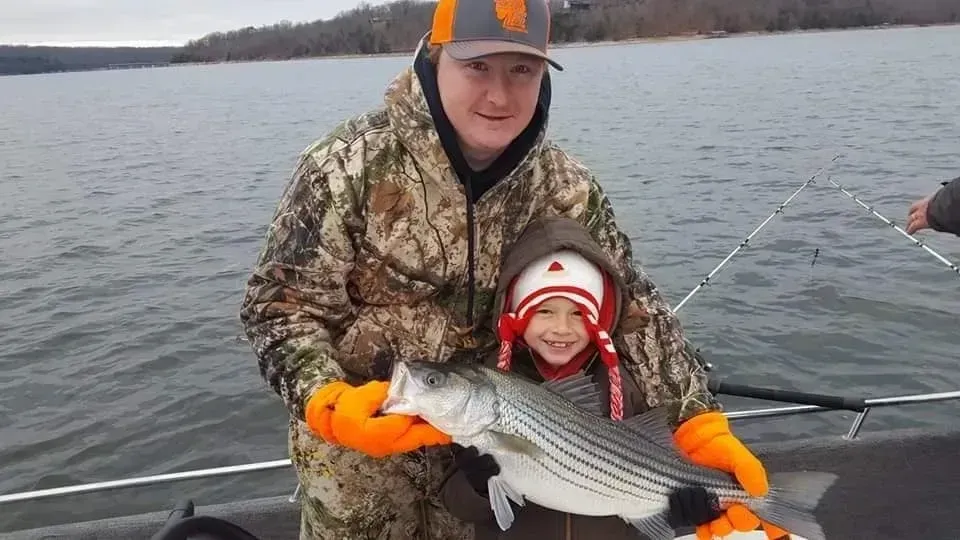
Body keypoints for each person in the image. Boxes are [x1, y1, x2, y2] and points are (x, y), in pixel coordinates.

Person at [238, 0, 775, 538]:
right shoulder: (344, 169)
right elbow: (277, 308)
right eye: (477, 67)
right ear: (434, 57)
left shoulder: (567, 188)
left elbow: (636, 312)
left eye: (522, 69)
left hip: (495, 470)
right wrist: (325, 398)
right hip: (356, 474)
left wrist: (695, 419)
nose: (499, 95)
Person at [435, 215, 788, 540]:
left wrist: (685, 509)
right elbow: (456, 502)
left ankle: (773, 501)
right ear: (516, 316)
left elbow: (655, 460)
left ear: (600, 321)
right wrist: (477, 487)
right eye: (544, 311)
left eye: (579, 314)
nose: (561, 328)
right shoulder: (490, 383)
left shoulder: (626, 381)